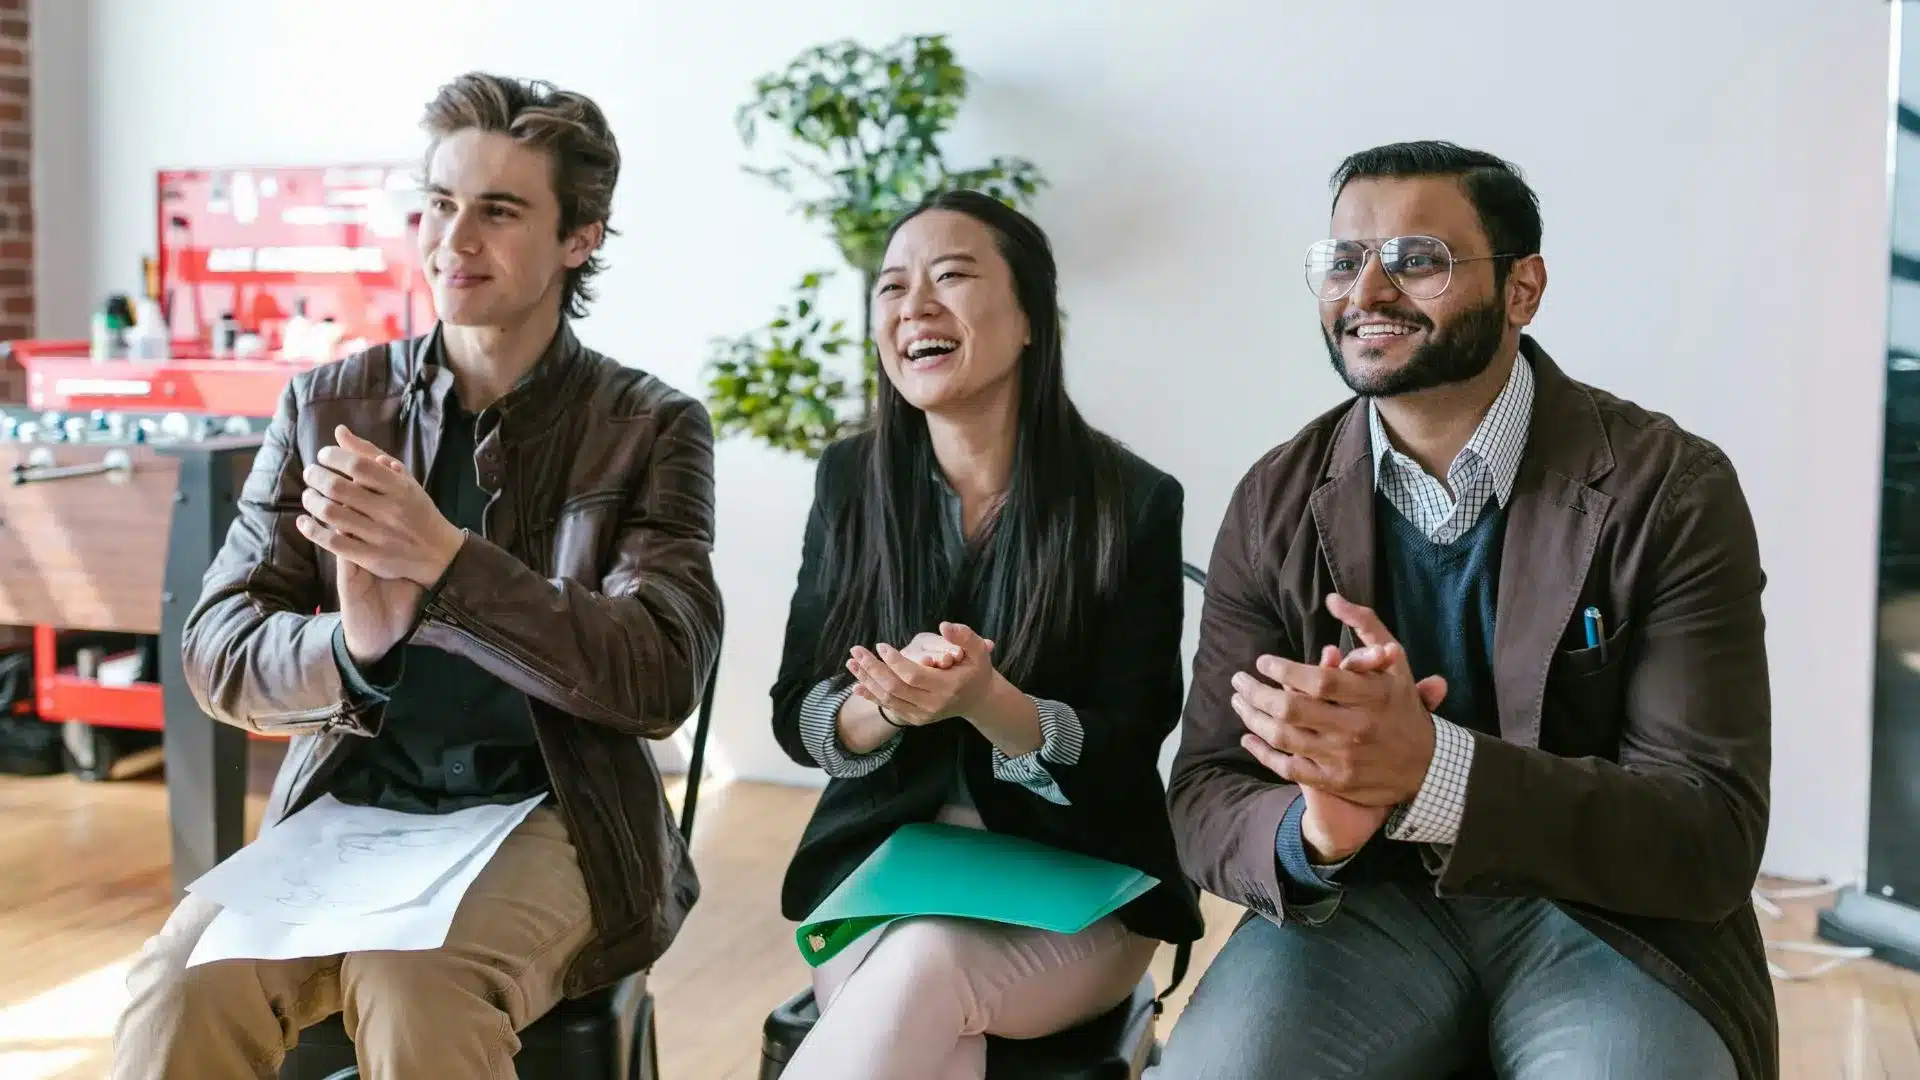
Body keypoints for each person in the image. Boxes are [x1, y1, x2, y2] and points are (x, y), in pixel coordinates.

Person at [111, 72, 722, 1080]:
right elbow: (217, 647)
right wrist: (350, 647)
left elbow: (659, 674)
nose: (454, 241)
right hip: (356, 809)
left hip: (554, 809)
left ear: (581, 239)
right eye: (440, 204)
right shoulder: (328, 403)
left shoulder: (649, 427)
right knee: (179, 983)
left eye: (499, 211)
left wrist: (449, 562)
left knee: (416, 986)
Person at [1155, 141, 1774, 1080]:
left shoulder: (1670, 489)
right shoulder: (1275, 498)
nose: (1368, 290)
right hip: (1367, 906)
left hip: (1607, 919)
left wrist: (1432, 768)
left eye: (1417, 260)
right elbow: (1204, 792)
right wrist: (1315, 831)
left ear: (1522, 290)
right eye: (1343, 260)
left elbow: (1709, 830)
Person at [769, 189, 1205, 1080]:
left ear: (1031, 319)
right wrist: (882, 708)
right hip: (888, 875)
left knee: (926, 971)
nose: (913, 307)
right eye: (891, 289)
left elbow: (1126, 744)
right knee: (927, 994)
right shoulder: (853, 481)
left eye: (952, 277)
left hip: (1080, 889)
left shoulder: (1131, 501)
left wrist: (993, 706)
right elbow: (796, 712)